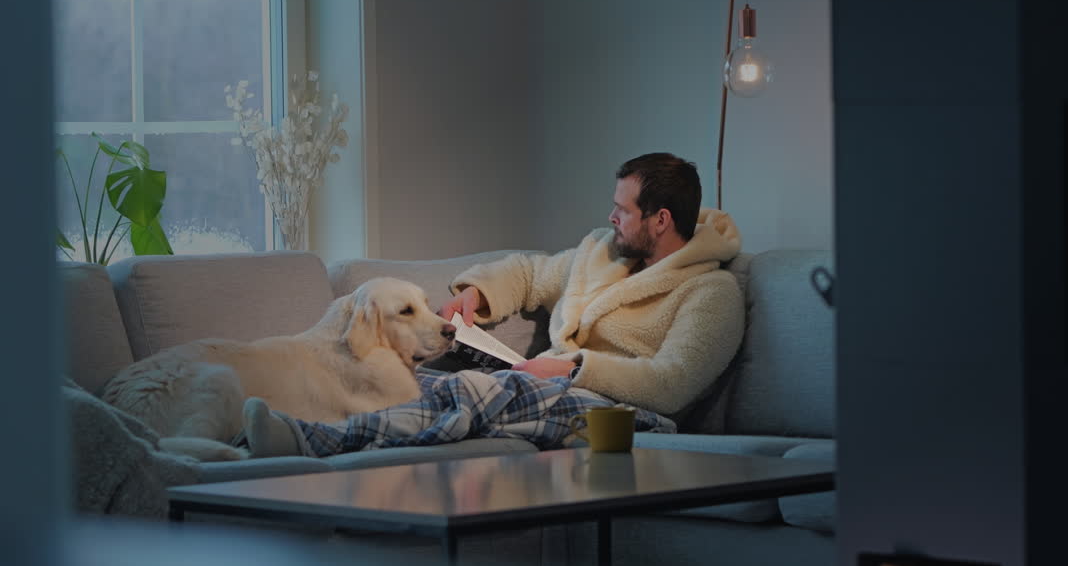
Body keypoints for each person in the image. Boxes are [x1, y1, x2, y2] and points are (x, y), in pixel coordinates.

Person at [244, 152, 745, 458]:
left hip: (624, 416)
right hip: (550, 393)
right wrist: (476, 294)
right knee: (428, 382)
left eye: (623, 210)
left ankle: (309, 439)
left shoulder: (711, 294)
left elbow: (673, 382)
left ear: (660, 220)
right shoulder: (602, 253)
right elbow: (530, 274)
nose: (611, 217)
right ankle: (299, 430)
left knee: (477, 394)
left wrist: (573, 368)